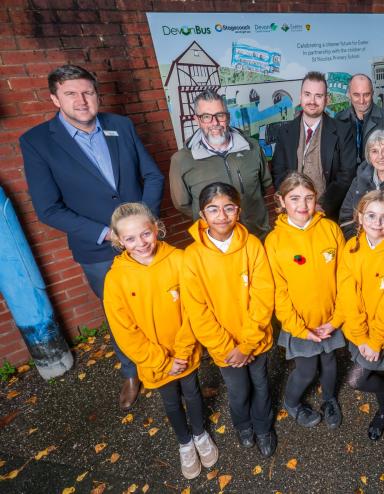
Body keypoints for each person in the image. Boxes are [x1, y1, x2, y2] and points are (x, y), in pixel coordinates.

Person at [20, 64, 164, 410]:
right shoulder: (38, 142)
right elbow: (48, 209)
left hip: (145, 242)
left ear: (97, 94)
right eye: (71, 94)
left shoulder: (121, 126)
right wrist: (106, 234)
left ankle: (170, 360)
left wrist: (141, 228)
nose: (82, 101)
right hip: (98, 250)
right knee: (118, 314)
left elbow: (153, 176)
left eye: (88, 92)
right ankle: (132, 372)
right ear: (55, 98)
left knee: (161, 303)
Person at [104, 203, 218, 480]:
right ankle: (184, 443)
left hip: (185, 352)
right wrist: (162, 361)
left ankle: (201, 434)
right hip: (155, 362)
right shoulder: (115, 279)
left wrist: (182, 352)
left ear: (156, 228)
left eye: (145, 234)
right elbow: (125, 331)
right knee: (170, 401)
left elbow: (194, 309)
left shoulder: (179, 260)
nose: (140, 243)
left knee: (192, 392)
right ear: (119, 241)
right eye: (129, 239)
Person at [181, 183, 277, 458]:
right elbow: (197, 310)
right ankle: (243, 426)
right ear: (202, 214)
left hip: (255, 340)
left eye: (228, 208)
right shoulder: (192, 257)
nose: (221, 215)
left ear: (238, 211)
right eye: (213, 209)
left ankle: (262, 427)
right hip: (225, 349)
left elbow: (263, 296)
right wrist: (227, 348)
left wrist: (247, 344)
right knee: (238, 391)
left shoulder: (253, 246)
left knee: (261, 385)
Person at [265, 173, 346, 429]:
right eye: (295, 198)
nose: (303, 205)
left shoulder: (331, 229)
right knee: (307, 370)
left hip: (330, 319)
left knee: (331, 363)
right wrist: (299, 328)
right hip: (301, 324)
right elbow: (279, 291)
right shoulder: (275, 241)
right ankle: (292, 402)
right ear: (281, 201)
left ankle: (330, 399)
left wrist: (337, 319)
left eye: (309, 198)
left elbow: (346, 278)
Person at [340, 190, 384, 441]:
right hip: (360, 331)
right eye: (371, 216)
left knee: (357, 379)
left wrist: (375, 340)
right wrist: (360, 335)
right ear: (359, 217)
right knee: (370, 373)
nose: (377, 223)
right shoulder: (352, 246)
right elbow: (348, 292)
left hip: (383, 332)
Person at [169, 90, 273, 240]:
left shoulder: (253, 147)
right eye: (206, 117)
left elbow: (264, 185)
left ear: (228, 117)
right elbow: (183, 204)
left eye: (220, 115)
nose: (215, 123)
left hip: (257, 236)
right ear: (197, 120)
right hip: (217, 245)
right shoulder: (181, 160)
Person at [271, 71, 357, 219]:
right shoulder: (285, 131)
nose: (312, 101)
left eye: (318, 96)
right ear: (300, 96)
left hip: (328, 213)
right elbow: (278, 172)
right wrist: (295, 203)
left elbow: (347, 175)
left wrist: (322, 205)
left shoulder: (343, 131)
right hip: (293, 212)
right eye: (307, 94)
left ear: (326, 99)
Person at [334, 73, 384, 166]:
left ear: (372, 93)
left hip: (378, 179)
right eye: (356, 95)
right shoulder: (338, 119)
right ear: (349, 94)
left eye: (366, 95)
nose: (361, 100)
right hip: (347, 179)